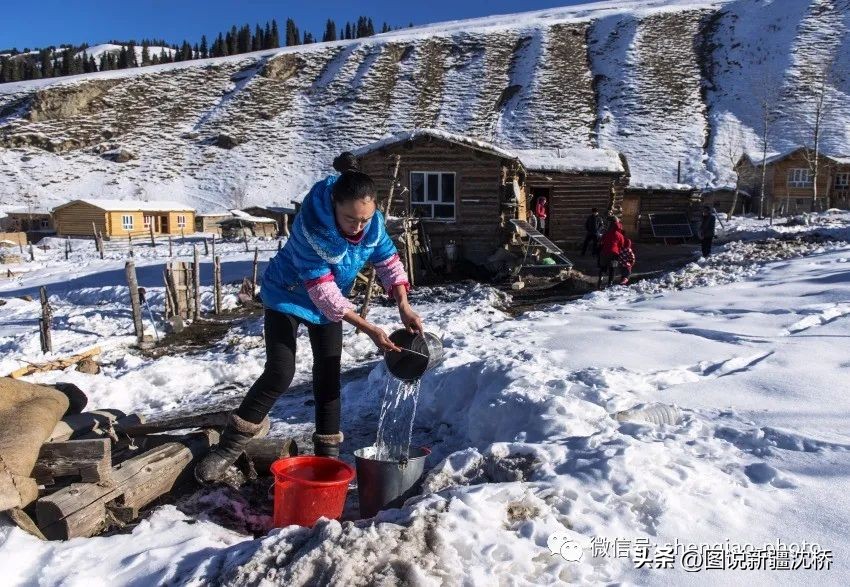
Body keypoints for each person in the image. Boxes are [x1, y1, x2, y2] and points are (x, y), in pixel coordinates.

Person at [195, 152, 423, 484]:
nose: (358, 228)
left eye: (364, 219)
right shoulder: (311, 227)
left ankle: (327, 458)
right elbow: (324, 293)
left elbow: (387, 260)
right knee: (280, 372)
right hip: (287, 295)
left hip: (329, 303)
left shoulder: (370, 224)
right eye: (350, 219)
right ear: (333, 205)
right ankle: (228, 448)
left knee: (329, 375)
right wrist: (369, 328)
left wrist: (402, 303)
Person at [598, 217, 633, 287]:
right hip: (614, 254)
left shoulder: (606, 233)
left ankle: (600, 281)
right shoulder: (620, 235)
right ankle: (610, 283)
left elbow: (601, 241)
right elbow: (622, 245)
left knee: (603, 268)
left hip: (604, 252)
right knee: (612, 268)